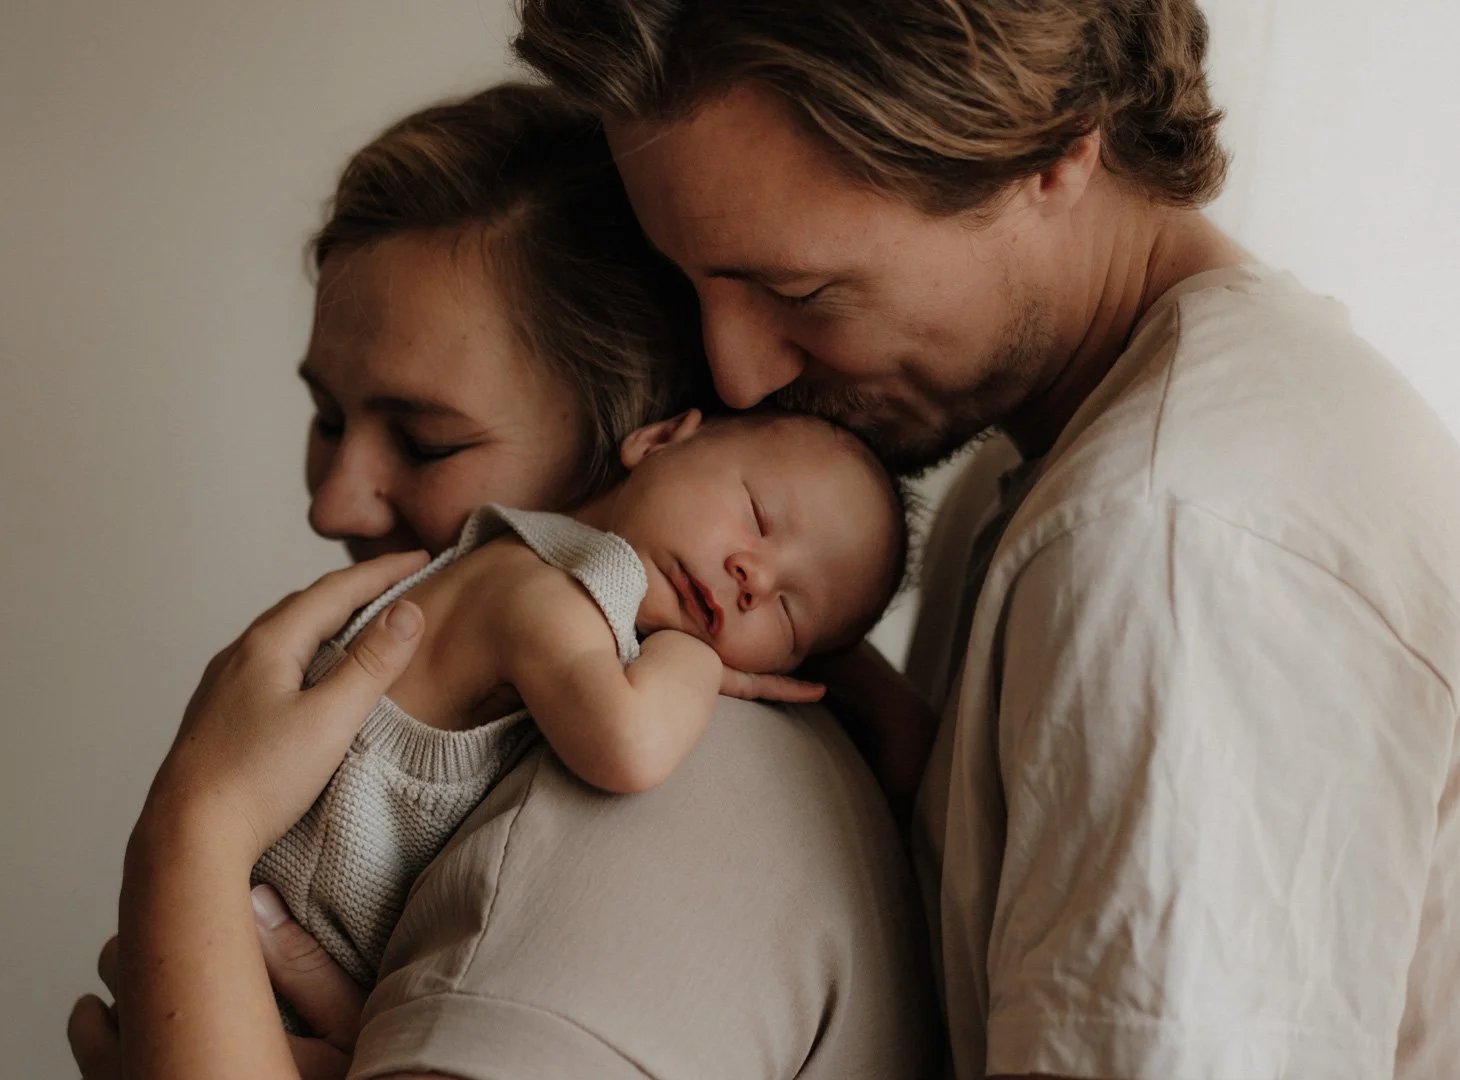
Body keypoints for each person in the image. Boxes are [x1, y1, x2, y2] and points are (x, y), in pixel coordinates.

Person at [514, 1, 1460, 1078]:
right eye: (698, 285)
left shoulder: (1166, 539)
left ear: (1057, 150)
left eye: (799, 292)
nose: (737, 374)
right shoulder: (1051, 479)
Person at [67, 82, 935, 1079]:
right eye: (329, 421)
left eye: (429, 441)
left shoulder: (644, 810)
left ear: (644, 440)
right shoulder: (531, 729)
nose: (334, 508)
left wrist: (192, 834)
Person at [260, 406, 908, 1001]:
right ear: (658, 441)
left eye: (790, 615)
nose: (755, 577)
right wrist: (695, 661)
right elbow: (632, 747)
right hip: (266, 939)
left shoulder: (571, 590)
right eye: (758, 516)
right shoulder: (540, 590)